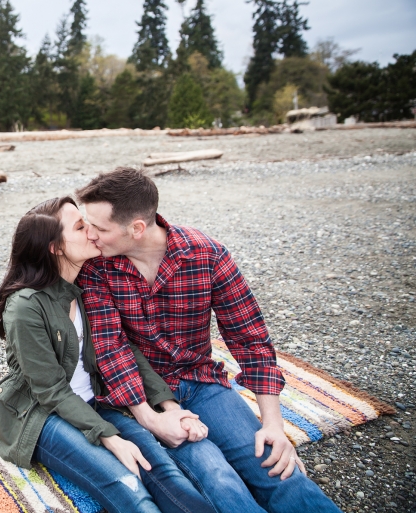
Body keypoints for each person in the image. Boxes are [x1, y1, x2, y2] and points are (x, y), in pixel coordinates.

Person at [75, 167, 343, 513]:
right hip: (143, 393)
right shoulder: (97, 267)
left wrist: (274, 424)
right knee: (218, 478)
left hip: (203, 382)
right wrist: (152, 418)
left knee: (277, 470)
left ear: (137, 229)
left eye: (100, 228)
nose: (90, 236)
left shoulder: (207, 255)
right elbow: (110, 347)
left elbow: (251, 339)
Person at [0, 197, 217, 513]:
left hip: (95, 403)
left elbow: (121, 346)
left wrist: (166, 404)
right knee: (128, 487)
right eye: (80, 226)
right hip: (42, 414)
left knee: (166, 474)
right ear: (55, 247)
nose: (92, 230)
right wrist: (111, 438)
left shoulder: (87, 285)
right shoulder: (26, 307)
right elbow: (50, 391)